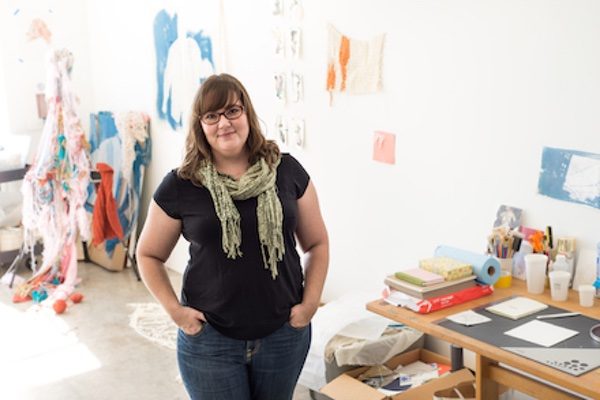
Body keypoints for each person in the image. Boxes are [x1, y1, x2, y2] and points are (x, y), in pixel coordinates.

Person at [136, 73, 329, 400]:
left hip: (283, 335)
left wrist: (309, 305)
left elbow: (317, 244)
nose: (223, 123)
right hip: (210, 341)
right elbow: (148, 254)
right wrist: (175, 312)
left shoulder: (286, 171)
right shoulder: (182, 184)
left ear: (247, 115)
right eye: (211, 116)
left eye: (232, 111)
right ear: (201, 126)